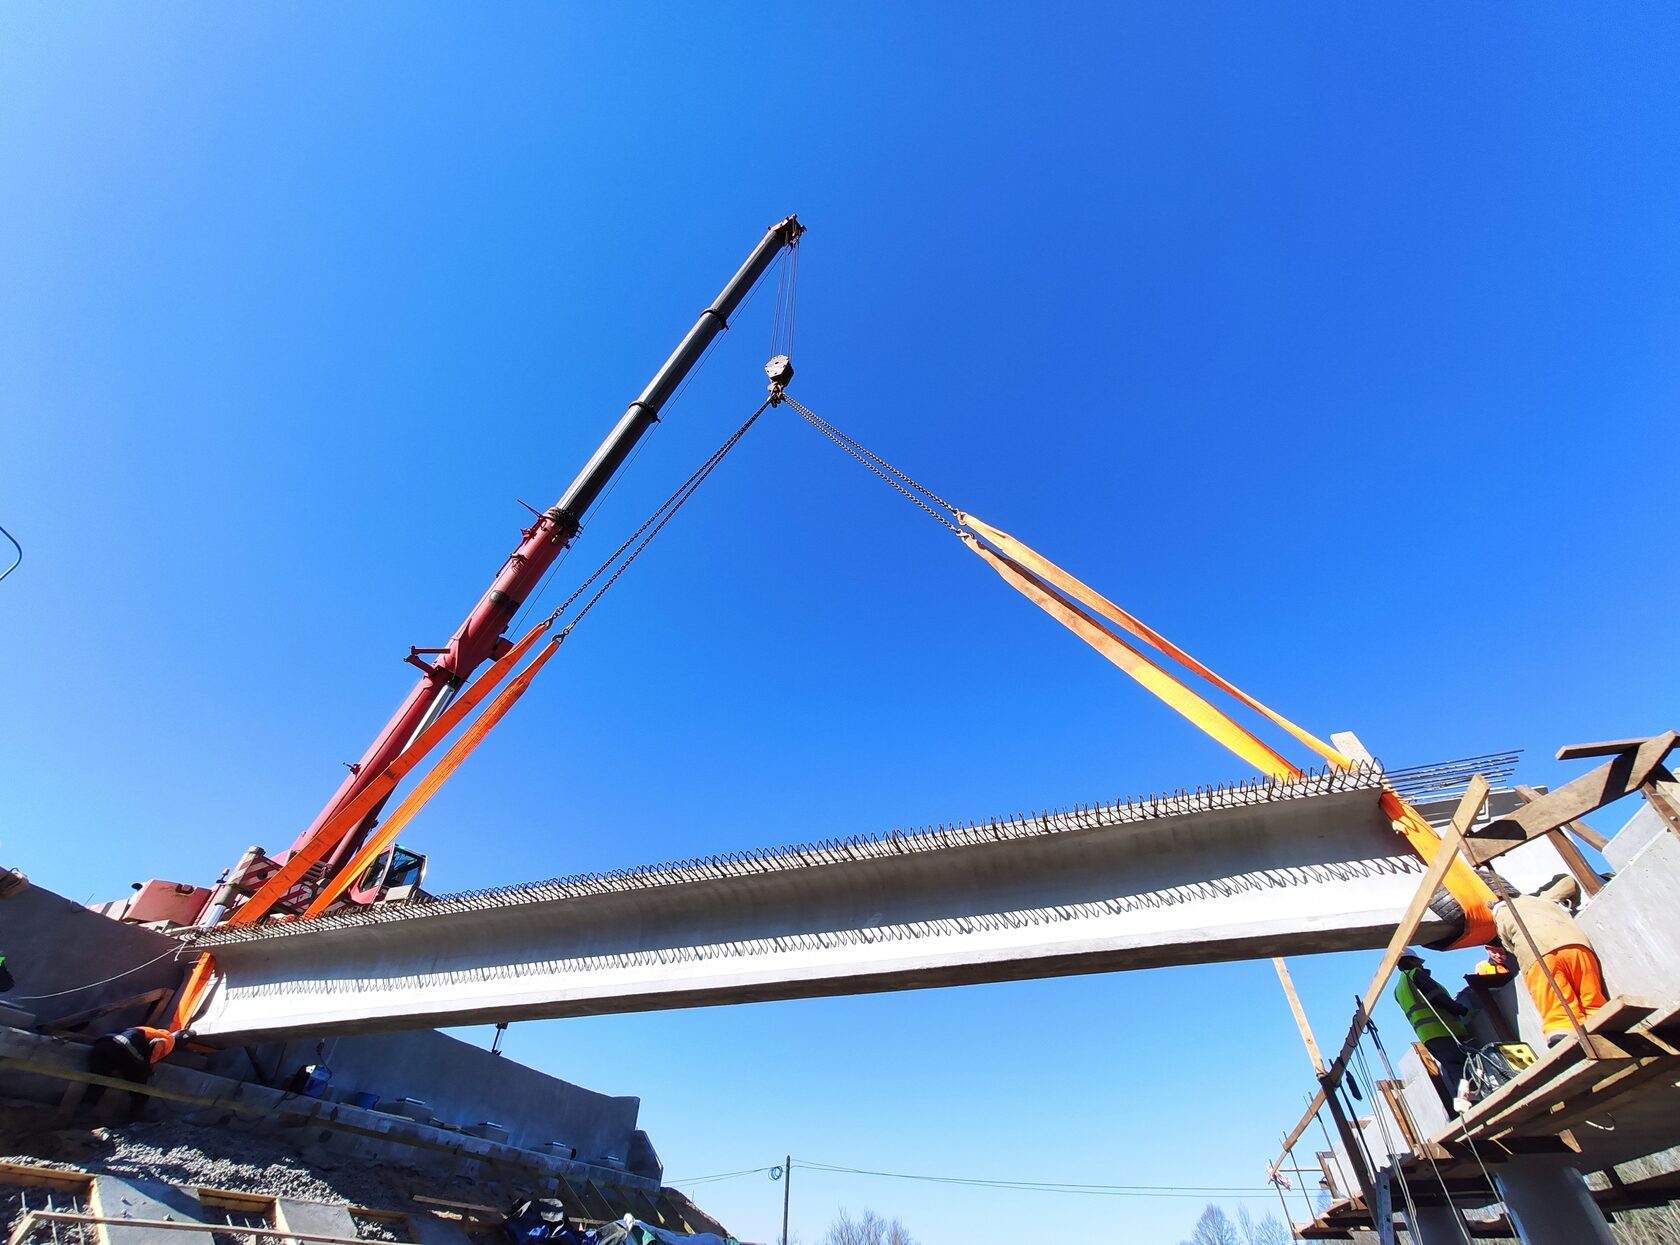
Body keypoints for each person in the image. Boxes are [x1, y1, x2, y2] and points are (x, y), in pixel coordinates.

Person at [1489, 874, 1608, 1046]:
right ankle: (1601, 1020)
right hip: (1576, 946)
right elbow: (1567, 881)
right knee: (1591, 997)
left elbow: (1509, 946)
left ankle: (1563, 1031)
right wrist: (1574, 903)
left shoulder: (1499, 913)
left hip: (1539, 958)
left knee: (1558, 1008)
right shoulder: (1541, 899)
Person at [1395, 952, 1472, 1108]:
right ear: (1412, 961)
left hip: (1428, 1036)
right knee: (1461, 1067)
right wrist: (1461, 1009)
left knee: (1451, 1067)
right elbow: (1437, 997)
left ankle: (1463, 1104)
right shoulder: (1416, 974)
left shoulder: (1399, 989)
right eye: (1419, 961)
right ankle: (1470, 1102)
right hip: (1443, 1029)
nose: (1421, 965)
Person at [86, 1025, 191, 1117]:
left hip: (103, 1043)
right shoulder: (170, 1039)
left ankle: (84, 1110)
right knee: (140, 1087)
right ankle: (134, 1118)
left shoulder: (152, 1031)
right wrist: (148, 1067)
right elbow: (158, 1043)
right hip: (125, 1047)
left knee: (99, 1080)